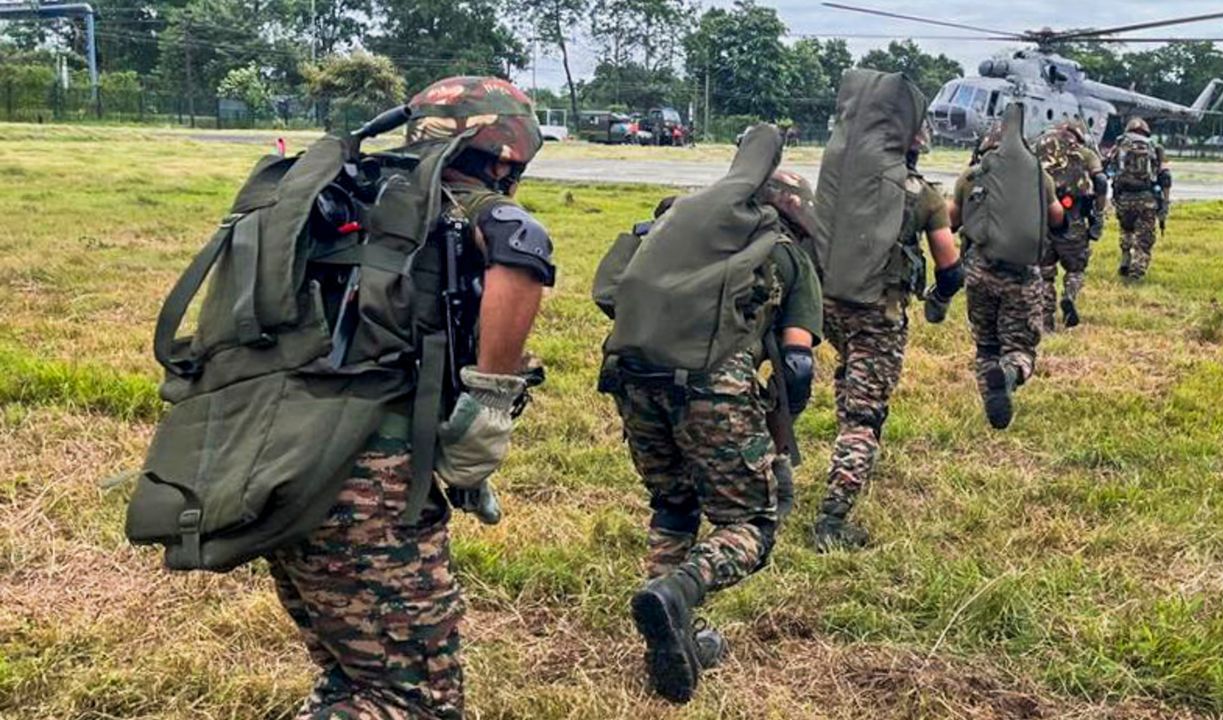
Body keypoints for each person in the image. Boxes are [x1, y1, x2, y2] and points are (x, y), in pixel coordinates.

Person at [268, 76, 555, 720]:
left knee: (352, 673)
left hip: (277, 458)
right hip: (369, 487)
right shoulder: (461, 201)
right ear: (506, 148)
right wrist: (489, 402)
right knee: (412, 700)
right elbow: (521, 245)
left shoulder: (350, 192)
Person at [593, 125, 822, 704]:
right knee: (754, 521)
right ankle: (679, 592)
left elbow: (610, 294)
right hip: (711, 389)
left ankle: (673, 633)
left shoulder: (669, 230)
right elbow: (797, 364)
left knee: (673, 503)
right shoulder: (784, 253)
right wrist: (773, 427)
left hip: (632, 379)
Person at [813, 70, 963, 552]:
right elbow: (950, 266)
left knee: (850, 377)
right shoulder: (921, 193)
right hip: (878, 314)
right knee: (863, 416)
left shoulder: (837, 179)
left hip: (827, 307)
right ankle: (833, 520)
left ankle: (841, 427)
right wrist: (938, 301)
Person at [951, 113, 1065, 431]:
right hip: (1022, 275)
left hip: (978, 272)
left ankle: (992, 391)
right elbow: (1058, 218)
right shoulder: (1038, 176)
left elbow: (951, 220)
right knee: (1020, 346)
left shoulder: (971, 176)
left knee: (986, 344)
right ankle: (1011, 372)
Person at [1033, 118, 1109, 330]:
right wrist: (1099, 213)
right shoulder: (1085, 154)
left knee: (1044, 272)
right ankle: (1069, 296)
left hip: (1041, 220)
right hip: (1073, 218)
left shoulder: (1037, 148)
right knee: (1076, 269)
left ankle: (1046, 322)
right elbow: (1101, 182)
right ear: (1078, 135)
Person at [1108, 116, 1171, 281]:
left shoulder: (1120, 145)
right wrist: (1165, 202)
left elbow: (1105, 165)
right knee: (1144, 237)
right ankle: (1137, 270)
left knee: (1126, 230)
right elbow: (1165, 176)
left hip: (1123, 199)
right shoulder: (1156, 147)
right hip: (1146, 199)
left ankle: (1126, 256)